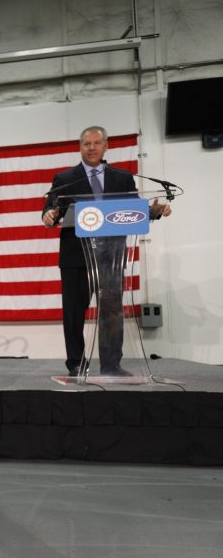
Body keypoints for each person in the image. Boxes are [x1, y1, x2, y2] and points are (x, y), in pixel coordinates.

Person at [42, 126, 171, 376]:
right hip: (76, 257)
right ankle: (76, 364)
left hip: (111, 256)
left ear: (105, 146)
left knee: (111, 312)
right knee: (74, 313)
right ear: (80, 147)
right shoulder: (65, 178)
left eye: (96, 143)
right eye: (86, 143)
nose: (91, 148)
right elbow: (51, 209)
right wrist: (48, 215)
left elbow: (134, 210)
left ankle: (111, 365)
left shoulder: (122, 177)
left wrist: (153, 212)